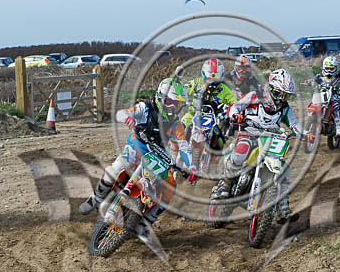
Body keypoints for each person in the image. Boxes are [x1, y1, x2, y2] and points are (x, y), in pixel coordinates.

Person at [80, 78, 196, 234]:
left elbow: (184, 147)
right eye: (170, 102)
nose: (173, 107)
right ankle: (96, 198)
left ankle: (146, 222)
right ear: (160, 97)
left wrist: (191, 167)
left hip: (157, 156)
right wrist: (127, 118)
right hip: (136, 147)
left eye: (177, 104)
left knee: (170, 186)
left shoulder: (177, 125)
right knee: (114, 170)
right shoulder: (145, 108)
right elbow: (121, 113)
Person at [215, 69, 311, 224]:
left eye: (286, 95)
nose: (283, 98)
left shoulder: (285, 108)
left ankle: (283, 207)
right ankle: (225, 185)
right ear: (271, 89)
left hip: (269, 139)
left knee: (285, 168)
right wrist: (235, 115)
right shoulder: (255, 96)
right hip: (248, 133)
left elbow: (294, 124)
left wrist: (306, 134)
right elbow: (235, 106)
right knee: (241, 151)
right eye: (280, 94)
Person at [181, 59, 236, 171]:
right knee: (178, 130)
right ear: (203, 74)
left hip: (211, 120)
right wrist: (180, 96)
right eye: (210, 78)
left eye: (215, 79)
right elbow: (182, 89)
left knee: (220, 140)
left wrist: (234, 110)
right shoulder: (196, 83)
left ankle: (213, 167)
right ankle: (173, 159)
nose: (212, 82)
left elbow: (234, 102)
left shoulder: (224, 89)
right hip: (191, 115)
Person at [307, 56, 340, 138]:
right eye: (327, 68)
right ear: (324, 67)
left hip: (333, 95)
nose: (329, 71)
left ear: (335, 68)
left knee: (335, 108)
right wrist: (309, 82)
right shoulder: (320, 75)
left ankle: (339, 130)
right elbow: (313, 80)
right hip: (321, 94)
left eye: (331, 69)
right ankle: (310, 125)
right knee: (312, 105)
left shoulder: (339, 75)